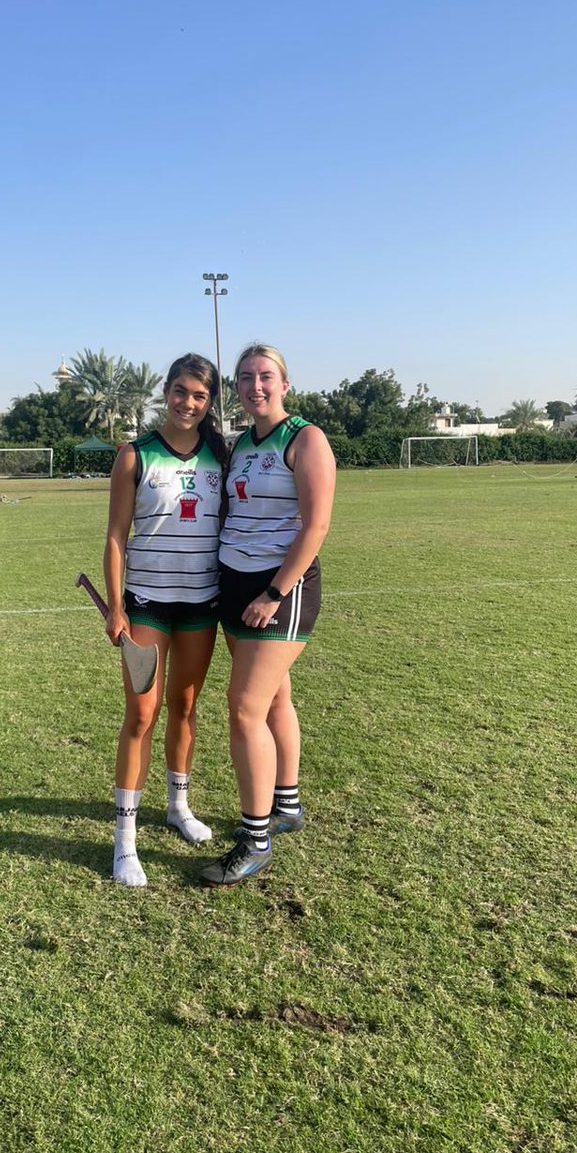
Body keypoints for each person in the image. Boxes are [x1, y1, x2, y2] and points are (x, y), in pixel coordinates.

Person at [200, 343, 336, 887]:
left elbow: (315, 526)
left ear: (284, 384)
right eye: (244, 378)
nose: (255, 386)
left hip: (281, 588)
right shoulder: (239, 445)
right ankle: (286, 805)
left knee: (243, 709)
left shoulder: (306, 438)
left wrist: (274, 594)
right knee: (275, 697)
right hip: (233, 583)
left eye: (265, 377)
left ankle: (255, 840)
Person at [103, 353, 228, 886]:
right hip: (148, 604)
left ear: (208, 402)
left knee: (185, 707)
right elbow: (115, 535)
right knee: (141, 715)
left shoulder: (220, 454)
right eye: (181, 391)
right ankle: (124, 842)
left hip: (202, 603)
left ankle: (178, 806)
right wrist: (115, 605)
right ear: (166, 391)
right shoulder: (135, 455)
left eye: (199, 395)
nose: (188, 403)